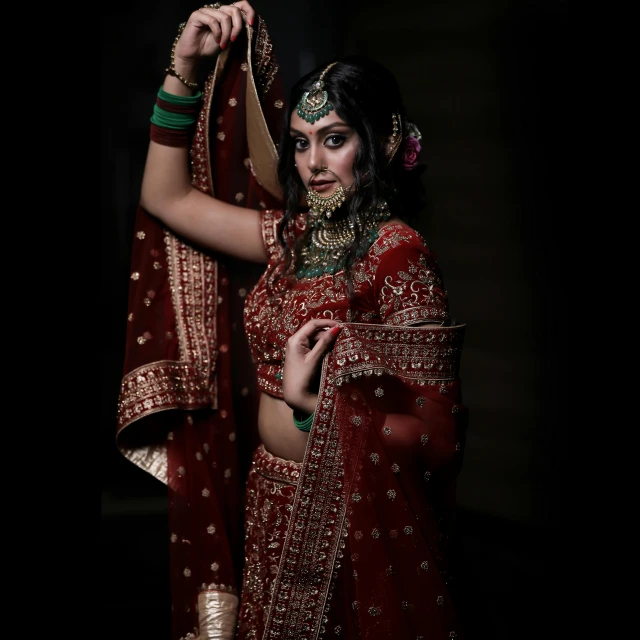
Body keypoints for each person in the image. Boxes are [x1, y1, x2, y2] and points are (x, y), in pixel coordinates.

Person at [116, 2, 469, 639]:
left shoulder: (397, 253)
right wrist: (184, 70)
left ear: (384, 139)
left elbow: (439, 440)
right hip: (273, 499)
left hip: (347, 521)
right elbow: (163, 198)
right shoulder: (293, 238)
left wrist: (314, 408)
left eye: (334, 139)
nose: (311, 165)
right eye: (301, 143)